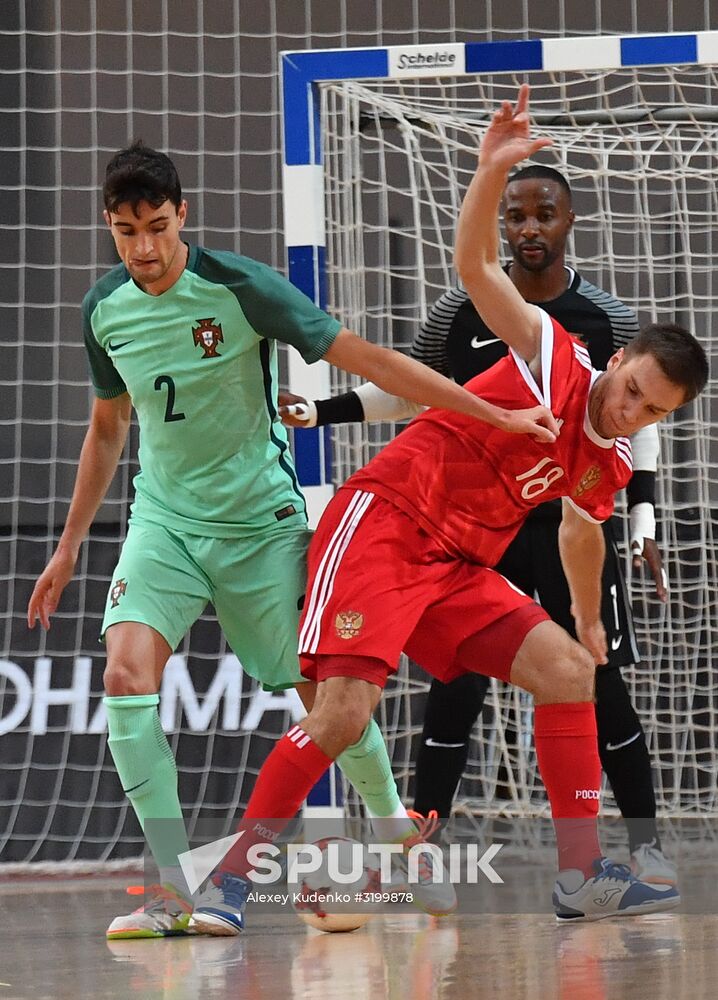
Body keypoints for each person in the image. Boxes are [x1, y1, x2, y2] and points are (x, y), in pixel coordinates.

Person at [191, 86, 706, 928]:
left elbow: (583, 530)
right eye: (635, 392)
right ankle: (230, 883)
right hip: (386, 525)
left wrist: (586, 617)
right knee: (345, 712)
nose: (632, 413)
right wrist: (489, 170)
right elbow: (474, 269)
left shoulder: (608, 459)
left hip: (458, 565)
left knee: (572, 671)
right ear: (619, 363)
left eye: (653, 413)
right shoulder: (555, 356)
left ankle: (582, 877)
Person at [26, 142, 557, 939]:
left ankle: (396, 841)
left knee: (325, 700)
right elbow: (107, 428)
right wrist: (68, 546)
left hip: (260, 526)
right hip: (163, 524)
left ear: (184, 217)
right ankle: (174, 888)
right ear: (109, 224)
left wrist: (495, 414)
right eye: (126, 230)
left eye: (158, 228)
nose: (143, 249)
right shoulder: (103, 310)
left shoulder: (240, 289)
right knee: (127, 678)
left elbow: (367, 357)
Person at [281, 163, 675, 884]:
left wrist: (629, 538)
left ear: (569, 221)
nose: (529, 226)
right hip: (423, 524)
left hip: (505, 537)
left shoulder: (610, 334)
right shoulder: (516, 329)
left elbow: (602, 492)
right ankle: (396, 851)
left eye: (544, 214)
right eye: (517, 213)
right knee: (412, 704)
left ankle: (606, 864)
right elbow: (411, 383)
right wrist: (326, 411)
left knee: (584, 672)